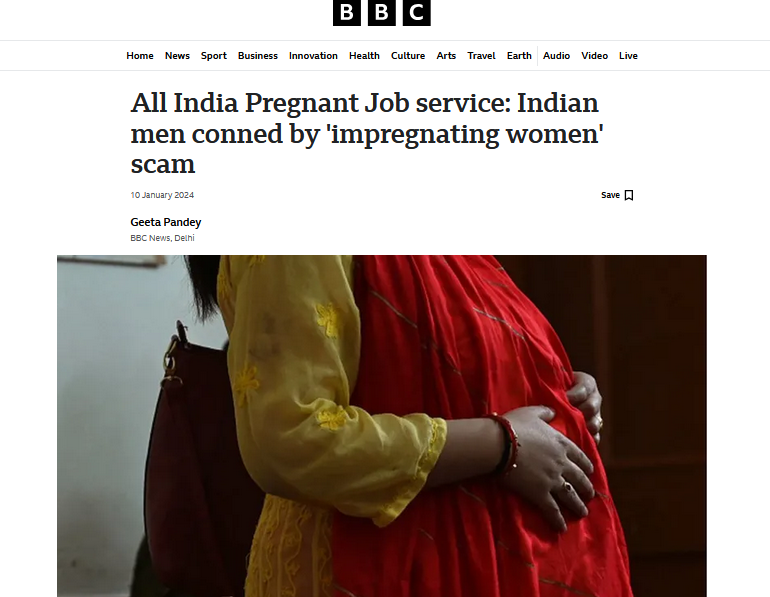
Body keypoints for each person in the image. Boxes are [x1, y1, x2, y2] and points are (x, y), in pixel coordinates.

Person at [185, 255, 633, 597]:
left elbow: (455, 366)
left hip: (486, 560)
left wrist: (553, 388)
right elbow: (291, 437)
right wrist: (502, 444)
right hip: (364, 563)